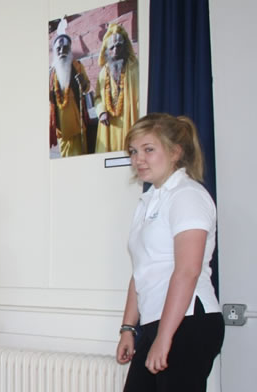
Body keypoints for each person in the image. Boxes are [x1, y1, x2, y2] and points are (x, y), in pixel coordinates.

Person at [116, 113, 224, 391]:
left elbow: (188, 271)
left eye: (149, 149)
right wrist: (129, 328)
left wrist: (165, 338)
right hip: (157, 322)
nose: (138, 159)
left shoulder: (187, 195)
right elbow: (141, 271)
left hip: (188, 322)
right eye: (134, 151)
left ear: (176, 152)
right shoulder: (149, 200)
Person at [94, 23, 139, 153]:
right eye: (111, 47)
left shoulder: (135, 68)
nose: (115, 51)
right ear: (106, 50)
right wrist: (101, 112)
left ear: (125, 47)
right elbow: (97, 97)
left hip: (129, 121)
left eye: (119, 46)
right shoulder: (103, 73)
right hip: (109, 125)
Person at [49, 33, 90, 157]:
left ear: (70, 49)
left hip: (78, 122)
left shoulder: (78, 66)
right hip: (62, 127)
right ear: (55, 52)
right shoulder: (51, 73)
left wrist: (83, 82)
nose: (62, 51)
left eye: (65, 48)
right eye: (58, 49)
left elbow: (86, 88)